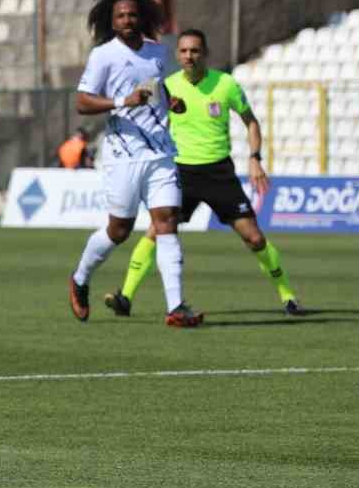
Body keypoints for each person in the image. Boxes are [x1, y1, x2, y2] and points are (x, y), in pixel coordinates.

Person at [103, 27, 302, 317]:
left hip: (219, 173)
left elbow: (252, 123)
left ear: (204, 53)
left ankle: (288, 296)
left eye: (195, 50)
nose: (189, 56)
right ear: (177, 55)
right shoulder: (166, 86)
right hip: (180, 172)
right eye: (183, 51)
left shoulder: (226, 84)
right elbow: (139, 109)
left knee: (255, 238)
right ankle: (126, 297)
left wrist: (255, 158)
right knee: (156, 231)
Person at [66, 0, 203, 328]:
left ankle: (176, 308)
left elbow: (161, 87)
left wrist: (171, 103)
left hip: (160, 152)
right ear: (111, 22)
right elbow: (82, 102)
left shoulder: (158, 52)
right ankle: (80, 278)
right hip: (123, 156)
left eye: (132, 15)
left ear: (142, 17)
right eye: (121, 16)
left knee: (167, 223)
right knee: (119, 230)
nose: (127, 20)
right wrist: (121, 101)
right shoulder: (103, 56)